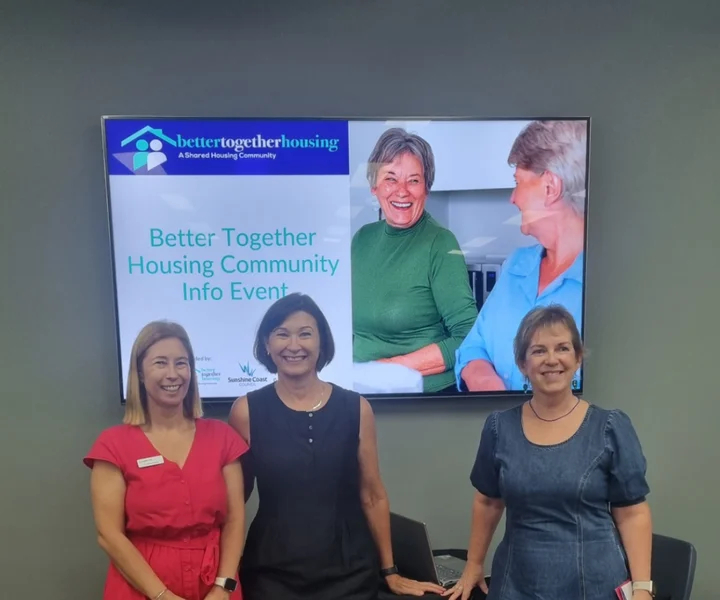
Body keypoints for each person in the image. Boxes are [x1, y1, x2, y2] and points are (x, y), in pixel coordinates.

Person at [229, 292, 446, 600]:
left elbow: (372, 495)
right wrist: (222, 572)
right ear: (267, 344)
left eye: (305, 334)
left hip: (349, 570)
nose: (294, 345)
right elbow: (235, 501)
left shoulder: (356, 408)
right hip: (271, 572)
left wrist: (390, 571)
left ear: (322, 343)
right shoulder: (246, 411)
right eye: (282, 334)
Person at [445, 305, 654, 600]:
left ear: (578, 357)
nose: (552, 360)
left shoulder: (609, 427)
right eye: (539, 351)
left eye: (563, 348)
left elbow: (632, 513)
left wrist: (643, 588)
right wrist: (473, 565)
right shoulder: (498, 428)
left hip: (594, 586)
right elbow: (488, 502)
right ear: (522, 364)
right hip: (516, 584)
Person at [84, 321, 248, 600]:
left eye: (181, 363)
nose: (173, 374)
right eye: (160, 363)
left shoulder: (223, 438)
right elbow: (109, 535)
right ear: (140, 372)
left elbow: (234, 521)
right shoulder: (113, 445)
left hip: (215, 586)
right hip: (141, 587)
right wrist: (161, 595)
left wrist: (224, 587)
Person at [456, 120, 587, 392]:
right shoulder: (516, 264)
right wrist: (489, 387)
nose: (513, 198)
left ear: (550, 187)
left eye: (518, 182)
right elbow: (472, 347)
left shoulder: (602, 280)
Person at [351, 127, 478, 394]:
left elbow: (469, 336)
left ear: (426, 189)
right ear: (375, 187)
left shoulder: (439, 243)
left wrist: (392, 369)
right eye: (391, 179)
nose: (402, 191)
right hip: (361, 393)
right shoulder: (361, 239)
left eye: (414, 180)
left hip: (422, 398)